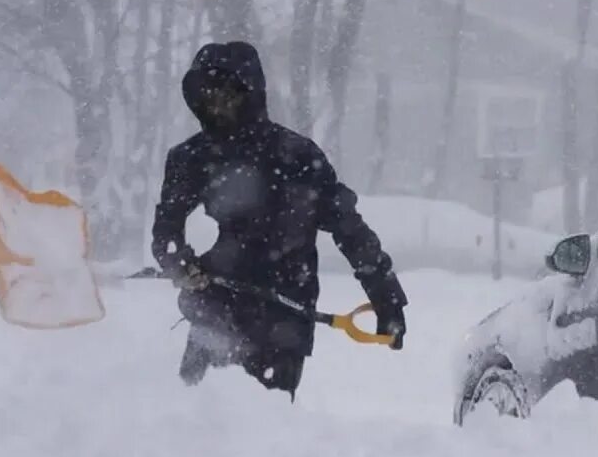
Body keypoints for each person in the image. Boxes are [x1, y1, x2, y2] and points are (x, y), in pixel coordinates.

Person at [150, 41, 407, 401]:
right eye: (207, 94)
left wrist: (385, 295)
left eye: (226, 92)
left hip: (285, 316)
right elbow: (166, 231)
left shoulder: (298, 157)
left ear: (249, 92)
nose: (216, 103)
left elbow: (350, 230)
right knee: (193, 422)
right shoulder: (191, 158)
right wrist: (178, 263)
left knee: (264, 432)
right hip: (215, 307)